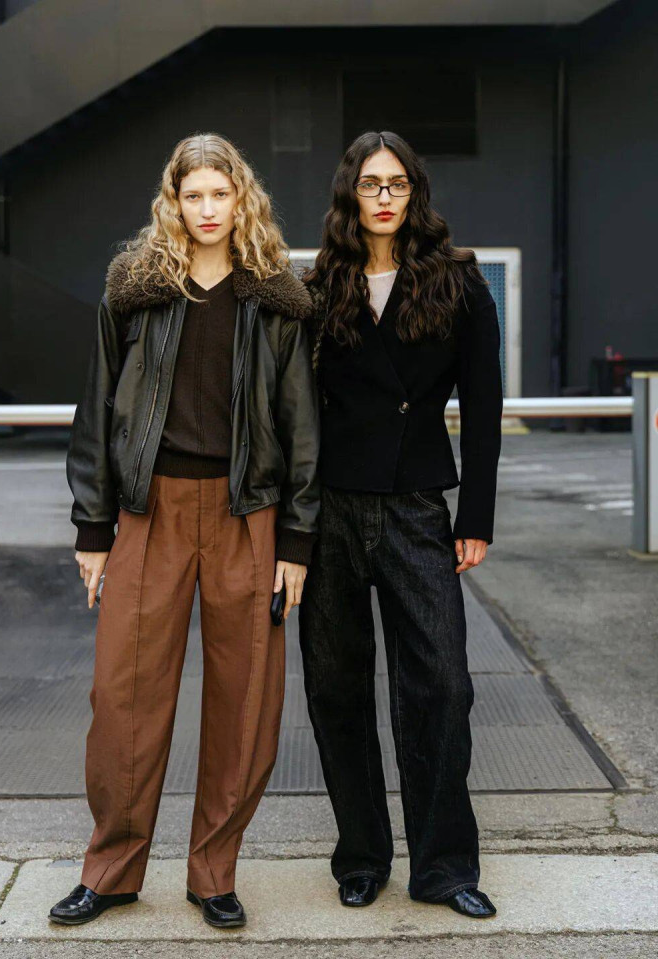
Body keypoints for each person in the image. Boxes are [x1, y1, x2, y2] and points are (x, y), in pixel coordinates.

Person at [50, 133, 320, 929]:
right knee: (122, 693)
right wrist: (92, 527)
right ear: (173, 200)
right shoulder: (135, 289)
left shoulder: (276, 298)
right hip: (150, 511)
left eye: (220, 194)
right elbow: (97, 408)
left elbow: (302, 426)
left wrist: (296, 541)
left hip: (248, 514)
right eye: (192, 195)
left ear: (242, 199)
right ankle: (112, 868)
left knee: (246, 700)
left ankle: (214, 872)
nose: (207, 209)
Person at [299, 131, 503, 918]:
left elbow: (482, 405)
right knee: (335, 687)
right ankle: (362, 856)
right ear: (350, 193)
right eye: (370, 183)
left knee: (443, 685)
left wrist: (475, 515)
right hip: (331, 509)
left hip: (417, 505)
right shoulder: (321, 285)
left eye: (397, 183)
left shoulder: (457, 281)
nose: (384, 196)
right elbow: (297, 409)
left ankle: (444, 866)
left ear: (414, 192)